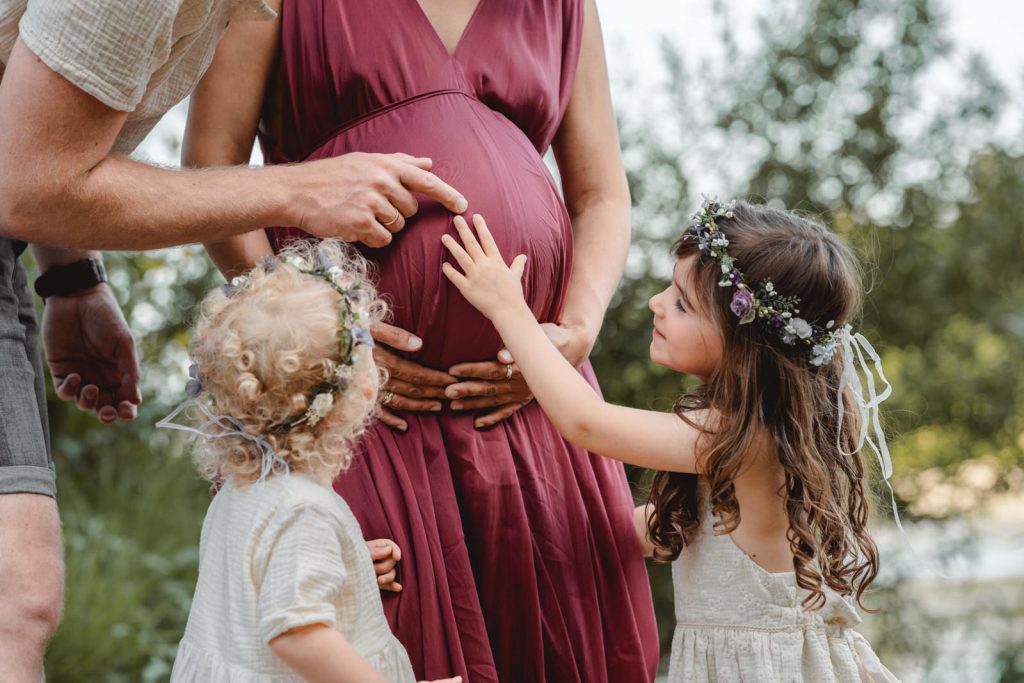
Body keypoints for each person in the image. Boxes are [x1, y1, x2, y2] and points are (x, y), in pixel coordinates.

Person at [183, 1, 658, 681]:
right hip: (358, 419)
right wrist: (325, 337)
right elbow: (209, 166)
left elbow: (602, 194)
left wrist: (575, 332)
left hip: (529, 411)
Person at [0, 1, 466, 678]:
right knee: (14, 599)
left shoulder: (249, 503)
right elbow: (27, 180)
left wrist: (70, 277)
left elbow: (30, 138)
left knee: (15, 597)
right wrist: (294, 190)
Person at [442, 203, 903, 682]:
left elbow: (586, 423)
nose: (656, 303)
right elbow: (632, 534)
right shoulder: (752, 442)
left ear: (745, 345)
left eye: (683, 303)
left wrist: (505, 307)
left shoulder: (746, 440)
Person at [161, 240, 461, 683]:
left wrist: (347, 569)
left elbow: (260, 588)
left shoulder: (244, 491)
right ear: (357, 393)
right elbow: (296, 633)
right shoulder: (304, 509)